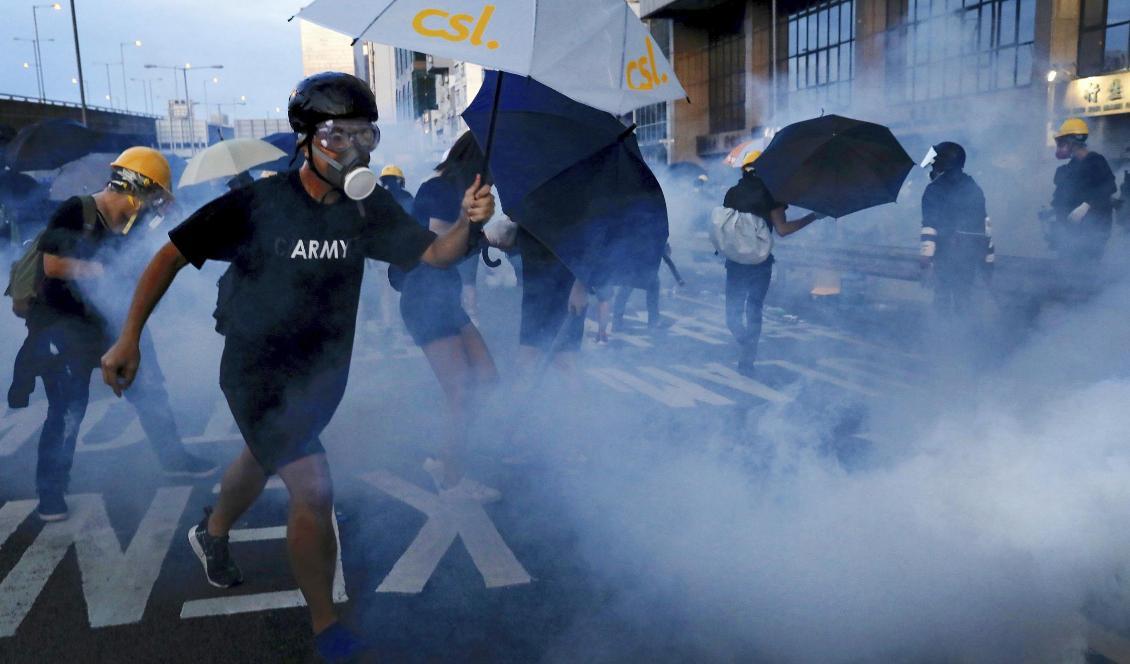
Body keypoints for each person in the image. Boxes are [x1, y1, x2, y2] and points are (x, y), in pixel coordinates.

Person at [99, 72, 495, 662]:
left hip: (323, 371)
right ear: (306, 138)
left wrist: (471, 222)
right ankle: (326, 626)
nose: (353, 151)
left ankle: (210, 532)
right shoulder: (260, 203)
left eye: (366, 136)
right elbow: (169, 255)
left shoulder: (370, 208)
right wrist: (127, 337)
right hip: (257, 369)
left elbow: (434, 254)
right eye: (338, 136)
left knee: (262, 457)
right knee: (312, 485)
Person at [19, 147, 217, 522]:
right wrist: (104, 271)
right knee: (67, 408)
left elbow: (156, 256)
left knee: (151, 390)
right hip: (65, 325)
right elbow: (53, 264)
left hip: (116, 321)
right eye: (152, 197)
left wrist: (168, 216)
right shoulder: (75, 211)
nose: (151, 207)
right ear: (133, 189)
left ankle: (174, 460)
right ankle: (50, 492)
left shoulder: (135, 224)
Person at [395, 132, 500, 501]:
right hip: (426, 296)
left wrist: (486, 234)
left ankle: (445, 455)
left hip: (444, 298)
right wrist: (477, 231)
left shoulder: (457, 191)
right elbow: (438, 248)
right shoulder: (439, 189)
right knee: (462, 390)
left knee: (485, 378)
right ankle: (453, 478)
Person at [723, 150, 824, 376]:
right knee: (754, 310)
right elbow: (783, 230)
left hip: (735, 263)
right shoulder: (773, 194)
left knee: (732, 315)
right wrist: (812, 217)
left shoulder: (731, 193)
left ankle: (744, 343)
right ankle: (748, 358)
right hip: (760, 263)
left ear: (743, 169)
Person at [919, 142, 994, 316]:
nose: (932, 167)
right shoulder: (974, 188)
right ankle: (964, 333)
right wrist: (988, 261)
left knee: (942, 297)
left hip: (946, 253)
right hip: (970, 254)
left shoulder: (934, 189)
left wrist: (926, 257)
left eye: (935, 162)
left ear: (942, 164)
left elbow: (930, 225)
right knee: (964, 297)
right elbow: (985, 225)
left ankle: (944, 335)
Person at [1046, 117, 1116, 266]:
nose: (1059, 146)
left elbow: (1109, 187)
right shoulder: (1072, 166)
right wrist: (1054, 211)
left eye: (1062, 142)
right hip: (1070, 233)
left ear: (1072, 142)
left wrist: (1086, 206)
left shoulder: (1095, 161)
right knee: (1068, 271)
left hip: (1093, 231)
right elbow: (1066, 194)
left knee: (1086, 271)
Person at [611, 242, 681, 331]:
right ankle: (653, 323)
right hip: (643, 268)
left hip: (634, 267)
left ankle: (617, 323)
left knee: (624, 293)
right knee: (651, 291)